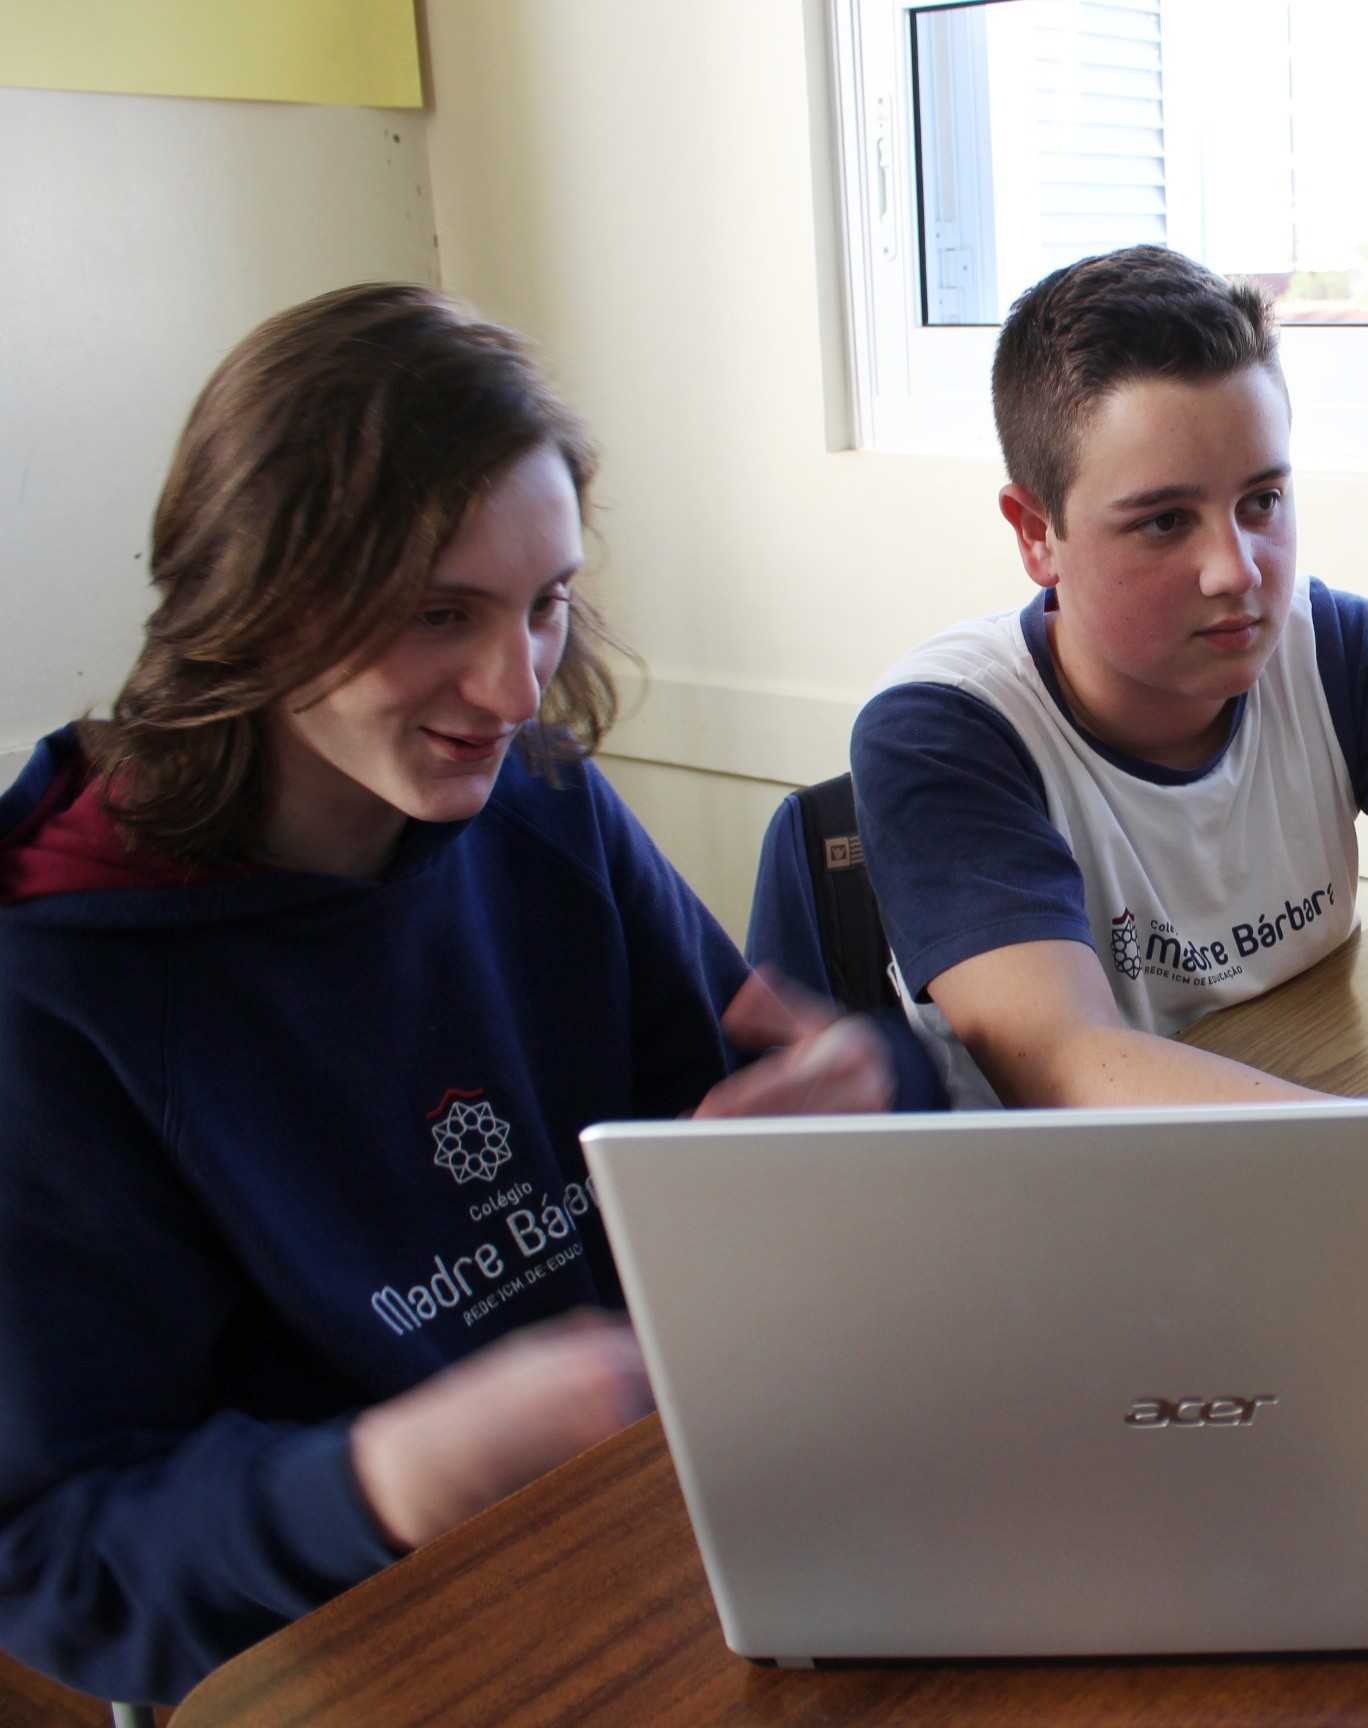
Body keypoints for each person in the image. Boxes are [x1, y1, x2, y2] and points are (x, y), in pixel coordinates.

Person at [0, 284, 940, 1704]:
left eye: (546, 603)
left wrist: (871, 1093)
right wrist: (390, 1476)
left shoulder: (542, 805)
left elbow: (730, 1132)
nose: (515, 689)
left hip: (663, 1530)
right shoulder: (58, 971)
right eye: (439, 613)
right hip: (368, 1648)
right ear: (252, 600)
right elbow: (61, 1559)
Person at [821, 246, 1368, 1108]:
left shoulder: (1337, 652)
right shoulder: (942, 731)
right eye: (1165, 521)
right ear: (1036, 533)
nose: (1236, 570)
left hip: (1310, 1119)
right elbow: (1069, 1061)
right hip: (1071, 1185)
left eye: (1261, 501)